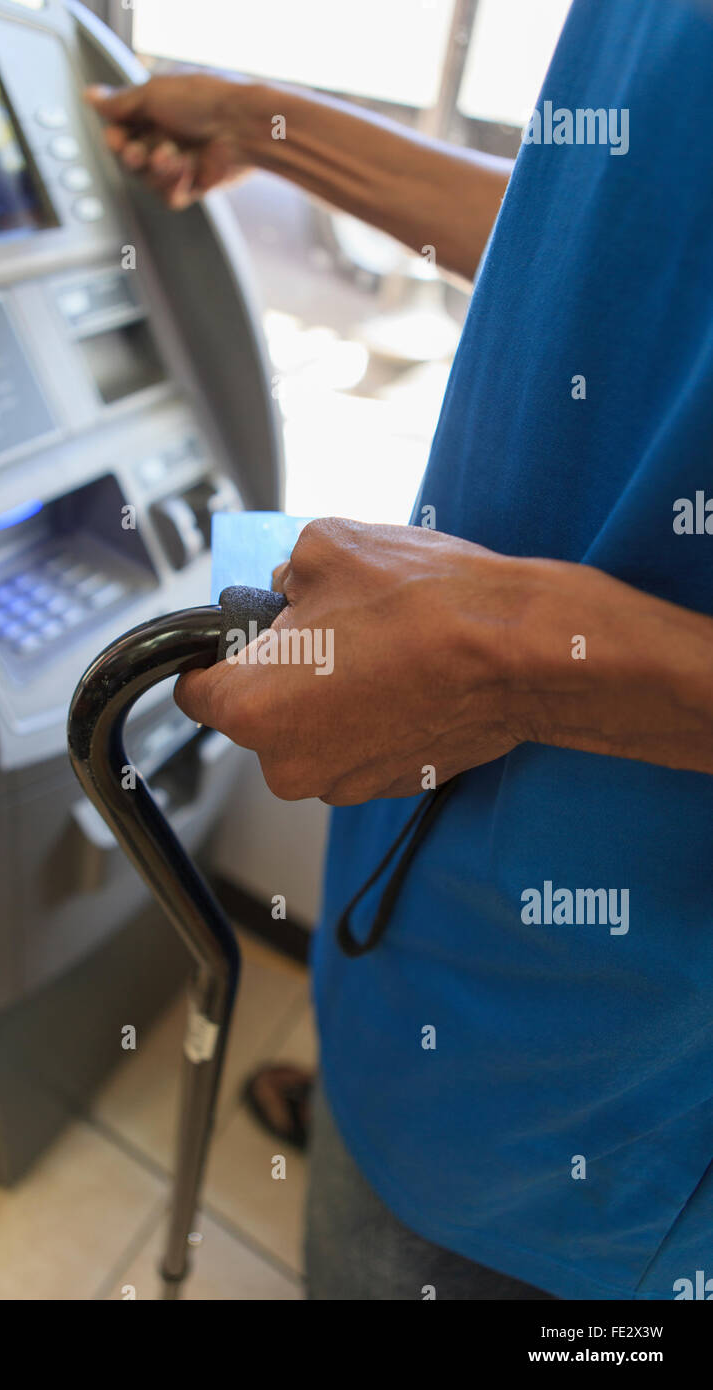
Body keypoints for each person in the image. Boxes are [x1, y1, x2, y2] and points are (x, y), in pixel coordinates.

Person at [85, 0, 713, 1301]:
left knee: (413, 1245)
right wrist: (269, 121)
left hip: (606, 1089)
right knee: (379, 1128)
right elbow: (616, 249)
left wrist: (524, 653)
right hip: (433, 902)